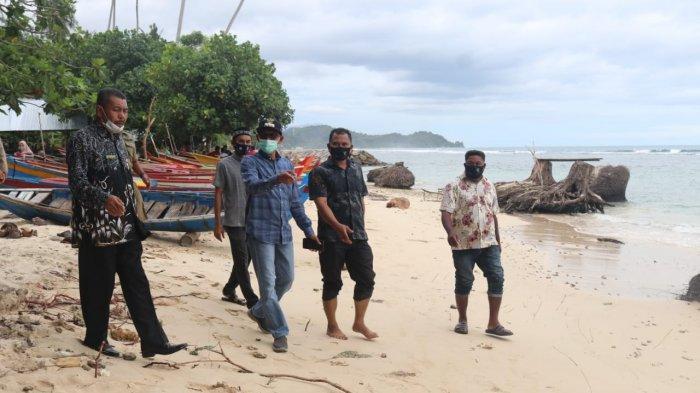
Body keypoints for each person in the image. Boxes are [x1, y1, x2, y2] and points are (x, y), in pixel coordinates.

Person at [66, 87, 187, 358]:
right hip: (97, 228)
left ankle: (153, 341)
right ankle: (95, 339)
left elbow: (126, 176)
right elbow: (77, 183)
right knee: (99, 286)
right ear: (100, 111)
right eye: (116, 110)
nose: (122, 116)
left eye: (125, 110)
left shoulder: (120, 140)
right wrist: (103, 198)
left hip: (127, 226)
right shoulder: (81, 140)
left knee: (138, 283)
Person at [241, 117, 321, 353]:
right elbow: (252, 187)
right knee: (267, 284)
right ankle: (279, 332)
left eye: (272, 136)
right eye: (264, 135)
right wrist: (276, 180)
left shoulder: (287, 165)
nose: (268, 140)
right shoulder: (249, 162)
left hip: (283, 233)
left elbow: (295, 203)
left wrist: (309, 230)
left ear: (280, 139)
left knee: (286, 279)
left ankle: (257, 311)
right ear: (259, 138)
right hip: (259, 231)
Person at [309, 128, 378, 340]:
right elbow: (321, 203)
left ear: (351, 147)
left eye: (344, 145)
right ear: (329, 146)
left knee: (367, 278)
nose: (340, 148)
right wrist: (338, 227)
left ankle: (359, 323)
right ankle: (332, 326)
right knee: (332, 281)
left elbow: (360, 199)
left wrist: (360, 226)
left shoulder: (357, 168)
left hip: (358, 235)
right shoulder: (320, 172)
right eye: (336, 144)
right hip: (331, 237)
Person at [440, 150, 513, 337]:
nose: (474, 167)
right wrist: (450, 233)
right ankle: (462, 320)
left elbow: (493, 214)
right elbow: (446, 212)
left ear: (484, 165)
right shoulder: (453, 186)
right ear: (465, 164)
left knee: (497, 276)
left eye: (478, 164)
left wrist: (498, 239)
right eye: (470, 163)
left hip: (489, 243)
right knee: (465, 280)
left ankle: (493, 323)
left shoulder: (490, 186)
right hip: (463, 243)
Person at [213, 129, 259, 308]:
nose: (245, 145)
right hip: (233, 221)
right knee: (241, 262)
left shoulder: (254, 164)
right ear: (234, 143)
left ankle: (229, 289)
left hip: (252, 220)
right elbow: (218, 194)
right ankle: (252, 302)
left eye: (248, 141)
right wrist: (217, 224)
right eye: (242, 141)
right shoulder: (224, 164)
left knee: (246, 260)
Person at [122, 131, 150, 221]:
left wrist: (143, 175)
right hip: (108, 186)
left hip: (129, 183)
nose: (121, 116)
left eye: (125, 115)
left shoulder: (128, 137)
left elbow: (134, 161)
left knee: (139, 208)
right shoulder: (95, 138)